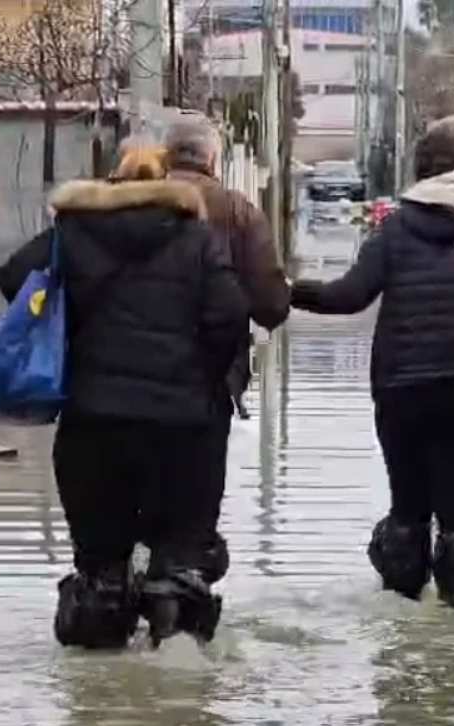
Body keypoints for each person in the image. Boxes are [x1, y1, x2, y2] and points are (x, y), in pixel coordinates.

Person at [0, 142, 249, 648]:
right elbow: (230, 315)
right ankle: (174, 636)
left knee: (99, 563)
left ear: (113, 181)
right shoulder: (195, 239)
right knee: (180, 557)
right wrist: (203, 381)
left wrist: (66, 317)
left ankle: (100, 638)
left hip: (94, 422)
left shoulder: (71, 234)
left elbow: (12, 279)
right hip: (181, 428)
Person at [288, 123, 454, 608]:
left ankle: (403, 603)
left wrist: (291, 291)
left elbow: (348, 297)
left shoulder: (393, 230)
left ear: (417, 170)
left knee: (408, 507)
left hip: (403, 389)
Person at [163, 119, 291, 575]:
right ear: (213, 159)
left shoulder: (126, 204)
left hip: (113, 384)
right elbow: (271, 306)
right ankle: (183, 596)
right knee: (196, 508)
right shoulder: (236, 211)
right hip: (207, 382)